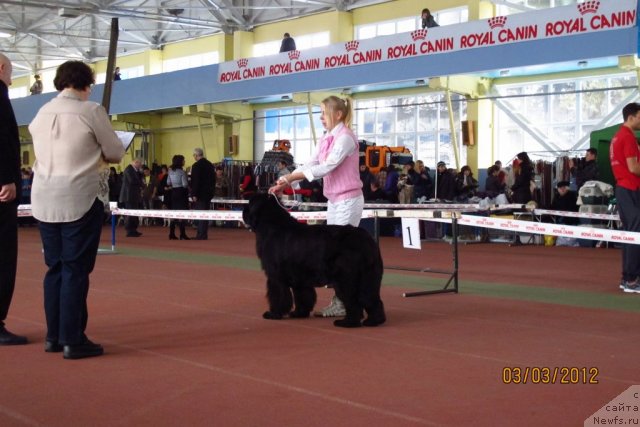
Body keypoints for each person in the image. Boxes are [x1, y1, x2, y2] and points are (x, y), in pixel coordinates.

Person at [29, 60, 125, 359]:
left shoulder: (41, 112)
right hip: (80, 197)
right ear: (86, 83)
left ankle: (54, 337)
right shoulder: (91, 110)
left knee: (55, 268)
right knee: (75, 269)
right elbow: (114, 152)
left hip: (44, 198)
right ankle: (73, 339)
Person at [270, 95, 363, 318]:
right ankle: (343, 299)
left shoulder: (346, 138)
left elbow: (327, 166)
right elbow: (312, 163)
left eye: (323, 112)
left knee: (341, 256)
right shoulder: (326, 139)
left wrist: (291, 178)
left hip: (348, 201)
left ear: (338, 114)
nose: (321, 117)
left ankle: (345, 302)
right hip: (334, 201)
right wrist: (286, 180)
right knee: (334, 254)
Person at [0, 53, 28, 346]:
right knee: (4, 255)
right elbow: (3, 139)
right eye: (11, 69)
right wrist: (6, 177)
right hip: (1, 189)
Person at [609, 102, 640, 293]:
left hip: (624, 189)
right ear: (632, 117)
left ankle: (627, 278)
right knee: (634, 234)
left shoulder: (618, 136)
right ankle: (631, 279)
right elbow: (634, 168)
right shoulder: (627, 137)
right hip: (630, 189)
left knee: (630, 234)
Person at [190, 148, 215, 240]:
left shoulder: (196, 166)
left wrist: (194, 194)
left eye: (194, 156)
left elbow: (195, 181)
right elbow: (213, 180)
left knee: (200, 214)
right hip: (208, 193)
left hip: (200, 194)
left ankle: (201, 234)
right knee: (205, 214)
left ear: (196, 155)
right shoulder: (210, 165)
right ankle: (203, 233)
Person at [167, 154, 191, 240]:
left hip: (174, 192)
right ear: (180, 162)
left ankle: (171, 233)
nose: (184, 161)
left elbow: (168, 182)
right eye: (183, 160)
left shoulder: (170, 171)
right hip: (181, 193)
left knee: (174, 213)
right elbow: (185, 184)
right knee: (182, 213)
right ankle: (182, 234)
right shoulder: (182, 172)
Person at [119, 158, 144, 237]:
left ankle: (134, 229)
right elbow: (132, 181)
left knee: (134, 213)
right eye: (140, 164)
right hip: (129, 195)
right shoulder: (128, 170)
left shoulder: (134, 170)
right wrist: (141, 183)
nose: (141, 165)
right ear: (136, 162)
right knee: (130, 213)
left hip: (133, 195)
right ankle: (129, 230)